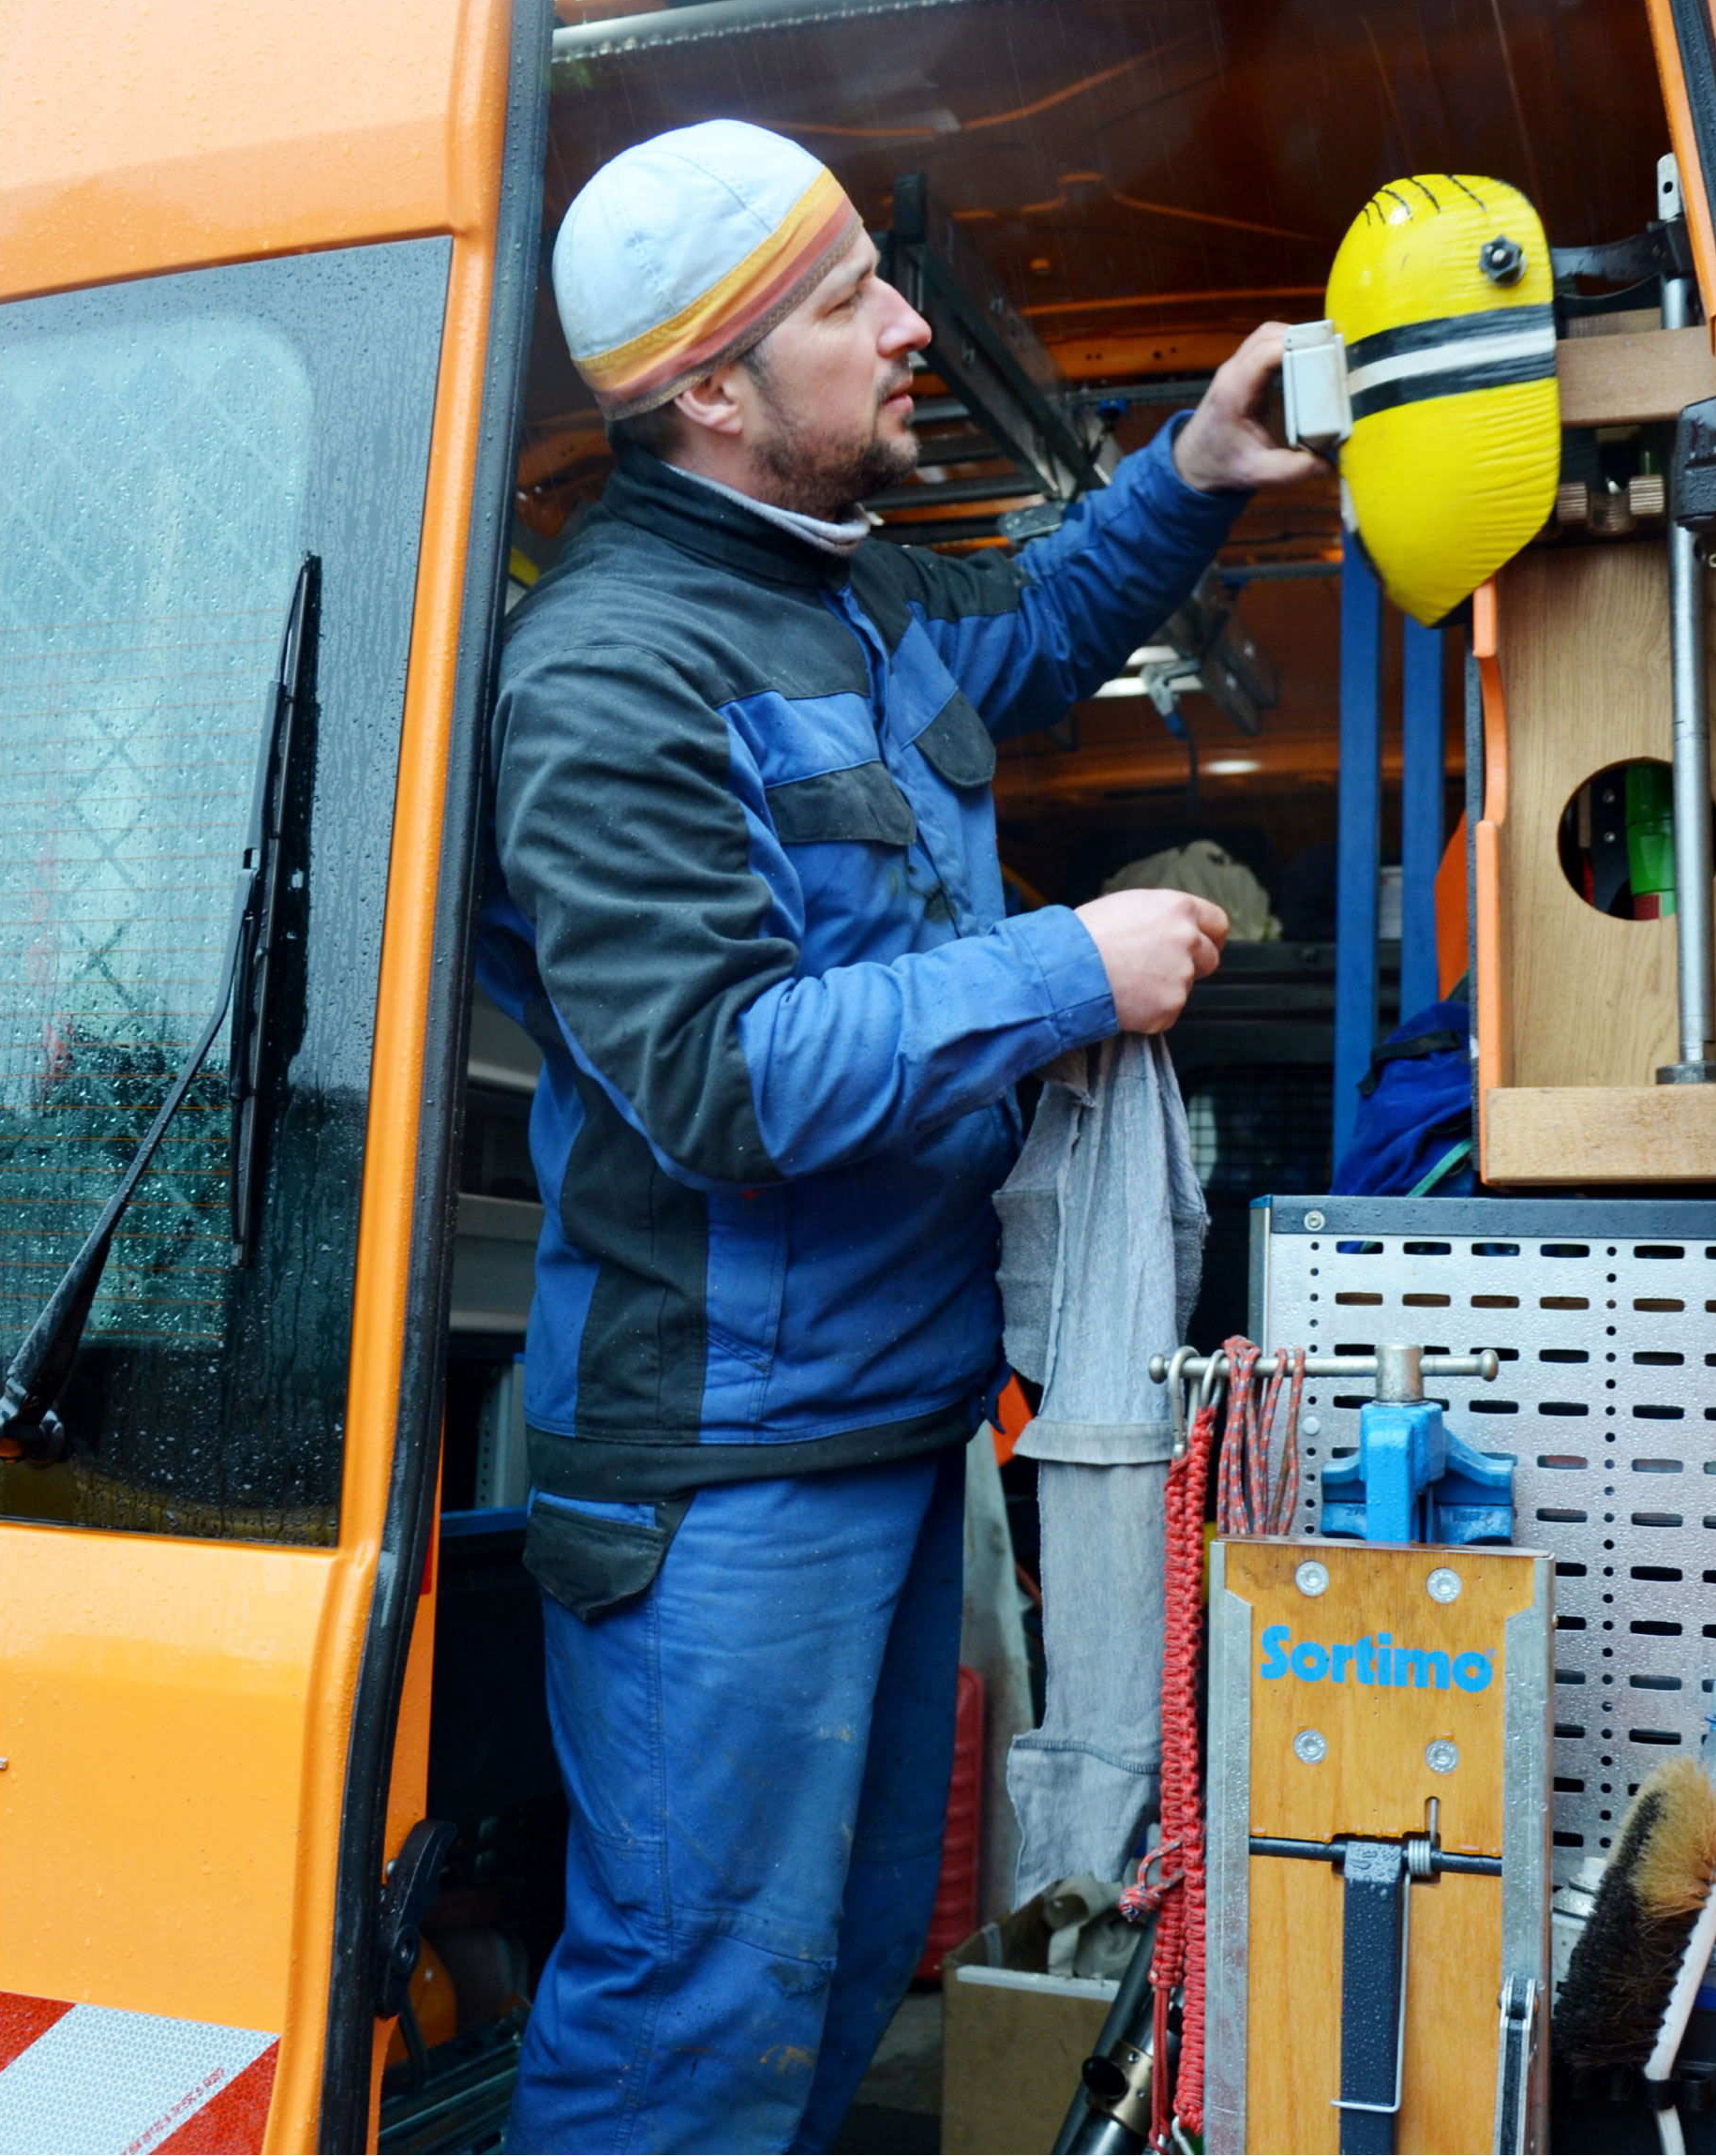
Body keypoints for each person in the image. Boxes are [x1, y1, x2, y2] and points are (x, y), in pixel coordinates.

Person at [480, 120, 1320, 2153]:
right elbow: (722, 1071)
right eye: (851, 300)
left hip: (877, 1431)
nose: (909, 325)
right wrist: (1061, 970)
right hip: (718, 1485)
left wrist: (1193, 471)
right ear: (709, 393)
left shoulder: (840, 602)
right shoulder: (610, 675)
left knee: (847, 1965)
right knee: (695, 2020)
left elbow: (1027, 623)